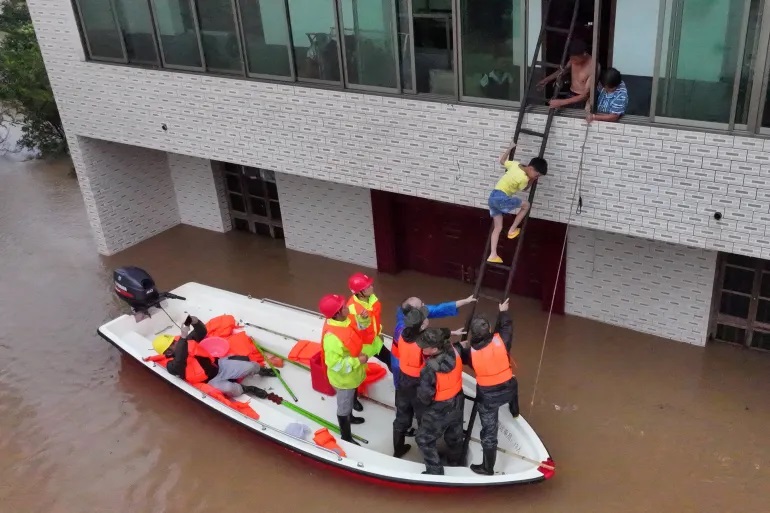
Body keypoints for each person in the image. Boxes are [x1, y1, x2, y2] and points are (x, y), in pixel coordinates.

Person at [392, 308, 466, 457]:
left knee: (401, 416)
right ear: (421, 327)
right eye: (424, 320)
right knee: (423, 417)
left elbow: (436, 333)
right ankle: (425, 451)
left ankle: (398, 449)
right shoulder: (423, 347)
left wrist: (450, 332)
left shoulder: (402, 334)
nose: (427, 320)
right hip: (419, 383)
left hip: (402, 381)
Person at [152, 316, 277, 398]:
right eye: (172, 344)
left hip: (220, 366)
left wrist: (195, 322)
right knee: (231, 389)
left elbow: (202, 331)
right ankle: (248, 389)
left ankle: (262, 371)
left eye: (174, 341)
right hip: (211, 381)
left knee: (251, 365)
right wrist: (183, 338)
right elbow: (180, 360)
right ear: (168, 352)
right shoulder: (171, 366)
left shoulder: (186, 341)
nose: (176, 342)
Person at [461, 299, 518, 475]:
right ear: (489, 330)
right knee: (514, 382)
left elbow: (462, 357)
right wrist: (502, 312)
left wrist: (461, 344)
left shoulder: (470, 352)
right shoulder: (502, 340)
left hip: (488, 397)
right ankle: (515, 410)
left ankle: (487, 468)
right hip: (509, 388)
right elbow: (507, 326)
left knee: (489, 433)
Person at [392, 294, 477, 386]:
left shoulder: (411, 315)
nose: (425, 305)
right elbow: (432, 346)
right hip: (401, 362)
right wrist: (457, 346)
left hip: (413, 360)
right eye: (422, 305)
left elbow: (438, 309)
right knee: (402, 383)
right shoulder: (404, 332)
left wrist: (465, 301)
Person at [415, 327, 466, 475]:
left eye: (425, 346)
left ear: (435, 349)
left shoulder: (429, 370)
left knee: (423, 439)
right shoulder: (454, 350)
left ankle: (435, 470)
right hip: (458, 400)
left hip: (440, 407)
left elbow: (425, 396)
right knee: (454, 434)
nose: (421, 347)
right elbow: (445, 333)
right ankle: (456, 461)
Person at [319, 293, 368, 445]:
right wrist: (357, 361)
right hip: (344, 380)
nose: (348, 307)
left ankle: (351, 417)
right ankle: (346, 436)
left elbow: (360, 329)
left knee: (352, 394)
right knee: (343, 408)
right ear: (338, 313)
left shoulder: (345, 320)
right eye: (344, 306)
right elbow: (335, 364)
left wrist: (364, 318)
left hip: (353, 375)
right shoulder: (331, 338)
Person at [487, 142, 548, 263]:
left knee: (498, 227)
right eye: (537, 175)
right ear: (531, 168)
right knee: (526, 205)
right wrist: (531, 180)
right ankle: (512, 230)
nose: (536, 177)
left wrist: (510, 147)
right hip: (501, 198)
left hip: (492, 197)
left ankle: (493, 254)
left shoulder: (515, 164)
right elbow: (524, 189)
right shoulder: (524, 179)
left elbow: (502, 160)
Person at [347, 272, 391, 376]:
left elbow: (376, 320)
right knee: (356, 373)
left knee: (392, 361)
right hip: (361, 348)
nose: (372, 287)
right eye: (368, 286)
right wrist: (363, 319)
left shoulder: (372, 299)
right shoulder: (353, 309)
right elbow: (355, 330)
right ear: (360, 292)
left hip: (374, 342)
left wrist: (379, 333)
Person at [537, 39, 594, 110]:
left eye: (575, 60)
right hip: (570, 94)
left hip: (582, 101)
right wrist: (546, 80)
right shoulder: (574, 58)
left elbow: (586, 95)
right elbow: (564, 70)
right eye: (571, 59)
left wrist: (561, 102)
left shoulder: (593, 67)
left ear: (584, 54)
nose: (573, 62)